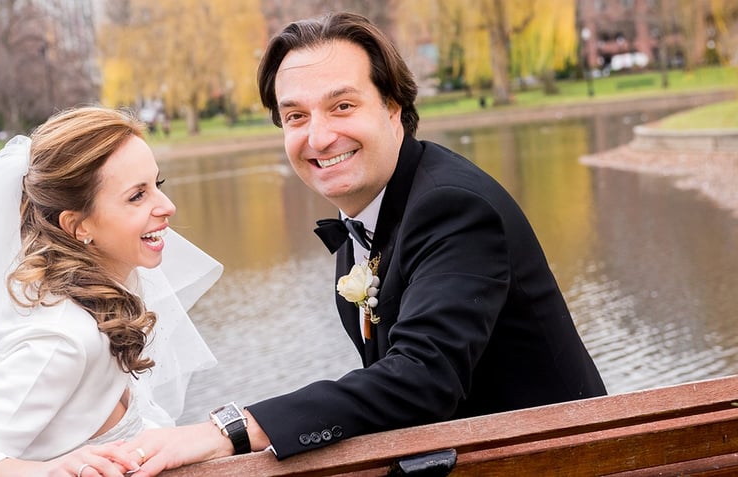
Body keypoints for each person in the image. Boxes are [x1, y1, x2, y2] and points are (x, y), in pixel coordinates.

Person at [123, 11, 608, 475]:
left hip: (565, 462)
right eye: (295, 117)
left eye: (342, 106)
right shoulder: (371, 209)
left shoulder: (454, 208)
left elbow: (423, 377)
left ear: (393, 108)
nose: (318, 137)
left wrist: (232, 429)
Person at [0, 106, 222, 476]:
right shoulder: (62, 339)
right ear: (78, 225)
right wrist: (46, 472)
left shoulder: (103, 297)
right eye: (136, 197)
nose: (168, 207)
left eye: (157, 186)